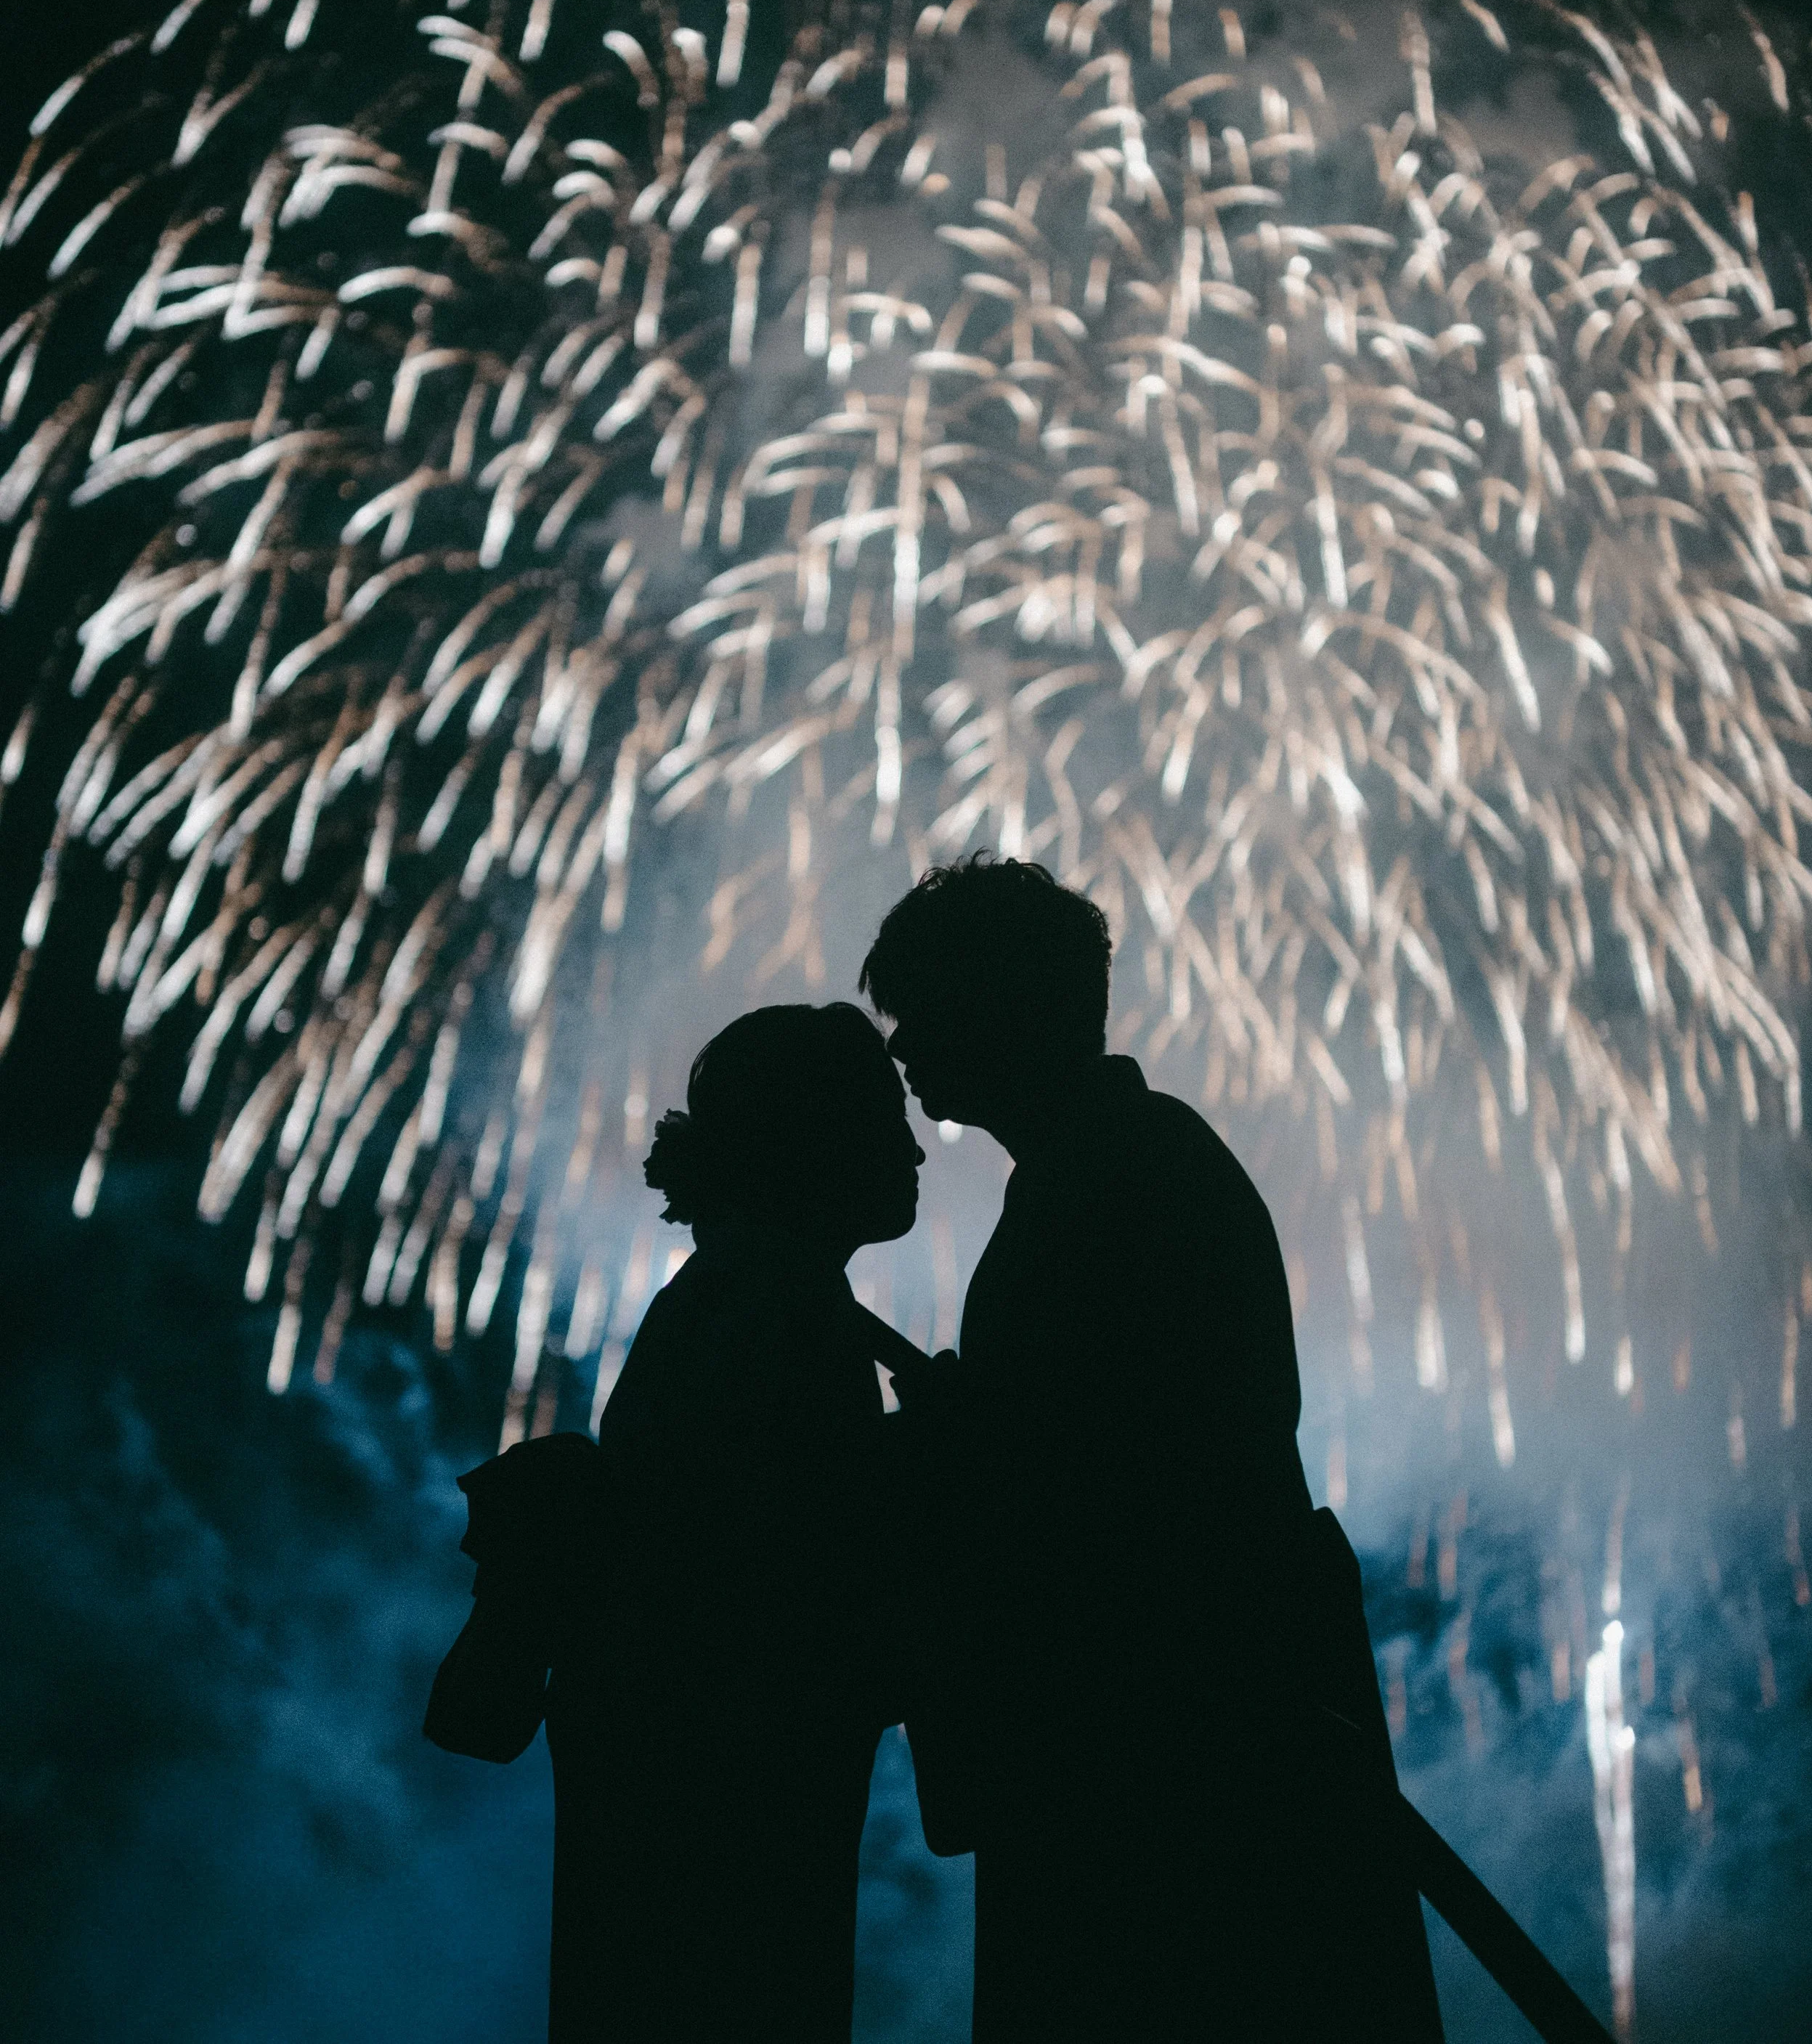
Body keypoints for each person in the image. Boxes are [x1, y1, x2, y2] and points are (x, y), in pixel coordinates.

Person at [861, 854, 1436, 2041]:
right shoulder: (1125, 1164)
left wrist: (959, 1457)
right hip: (1187, 1743)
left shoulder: (1117, 1181)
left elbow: (1128, 1484)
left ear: (1002, 1002)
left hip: (1167, 1768)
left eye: (923, 1007)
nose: (904, 1045)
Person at [423, 1001, 924, 2043]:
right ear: (814, 1139)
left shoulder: (740, 1291)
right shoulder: (780, 1305)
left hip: (676, 1783)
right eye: (881, 1118)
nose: (913, 1146)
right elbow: (769, 1563)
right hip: (727, 1809)